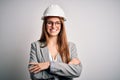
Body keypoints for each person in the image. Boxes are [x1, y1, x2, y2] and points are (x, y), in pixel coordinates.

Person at [28, 4, 82, 80]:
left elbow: (77, 71)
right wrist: (65, 69)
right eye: (50, 23)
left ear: (61, 25)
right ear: (45, 25)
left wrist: (49, 65)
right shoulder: (35, 46)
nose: (53, 26)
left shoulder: (71, 46)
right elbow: (34, 75)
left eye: (57, 23)